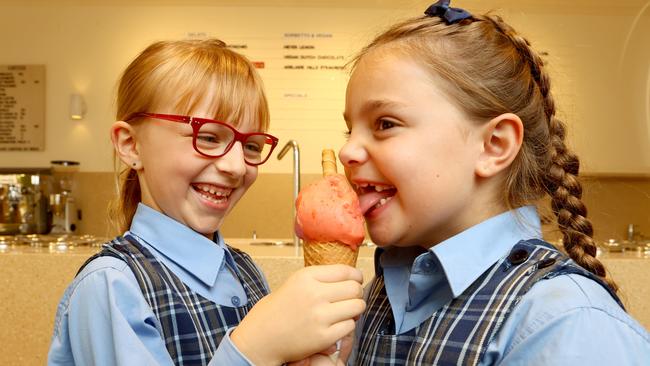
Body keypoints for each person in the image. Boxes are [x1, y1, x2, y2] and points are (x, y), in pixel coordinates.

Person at [338, 1, 650, 364]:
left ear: (494, 145)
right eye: (349, 129)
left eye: (385, 124)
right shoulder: (375, 297)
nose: (347, 151)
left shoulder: (567, 325)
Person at [47, 38, 365, 366]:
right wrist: (252, 350)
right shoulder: (111, 286)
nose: (237, 166)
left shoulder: (245, 270)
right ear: (131, 145)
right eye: (209, 137)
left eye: (252, 146)